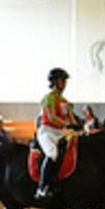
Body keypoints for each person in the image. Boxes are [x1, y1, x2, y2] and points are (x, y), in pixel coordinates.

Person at [35, 67, 78, 199]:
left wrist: (79, 126)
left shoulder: (66, 102)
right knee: (52, 154)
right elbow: (52, 117)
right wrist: (68, 124)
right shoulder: (49, 98)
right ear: (54, 81)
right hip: (47, 131)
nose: (64, 83)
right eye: (62, 80)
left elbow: (71, 119)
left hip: (60, 132)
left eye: (65, 80)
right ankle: (42, 187)